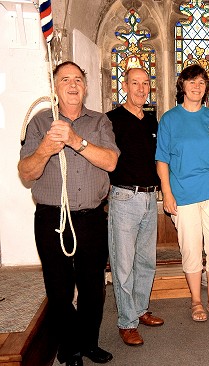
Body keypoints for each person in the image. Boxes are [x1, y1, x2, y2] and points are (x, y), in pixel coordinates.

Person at [18, 61, 120, 366]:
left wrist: (76, 140)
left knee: (93, 288)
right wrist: (47, 148)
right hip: (52, 218)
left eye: (78, 79)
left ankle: (88, 342)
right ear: (55, 87)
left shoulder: (100, 122)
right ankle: (70, 347)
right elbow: (25, 172)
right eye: (65, 79)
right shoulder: (39, 123)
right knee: (59, 289)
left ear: (86, 87)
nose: (73, 84)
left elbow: (111, 162)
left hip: (91, 218)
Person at [155, 64, 209, 322]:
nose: (197, 86)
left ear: (206, 88)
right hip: (183, 193)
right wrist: (167, 193)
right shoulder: (169, 119)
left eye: (202, 82)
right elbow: (162, 160)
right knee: (190, 248)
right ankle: (196, 301)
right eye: (192, 82)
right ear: (182, 86)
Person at [106, 67, 164, 347]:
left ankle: (140, 310)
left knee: (146, 261)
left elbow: (160, 160)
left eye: (145, 83)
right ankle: (126, 321)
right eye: (135, 83)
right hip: (124, 199)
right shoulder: (111, 120)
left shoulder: (152, 121)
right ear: (125, 86)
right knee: (123, 264)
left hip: (150, 198)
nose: (141, 89)